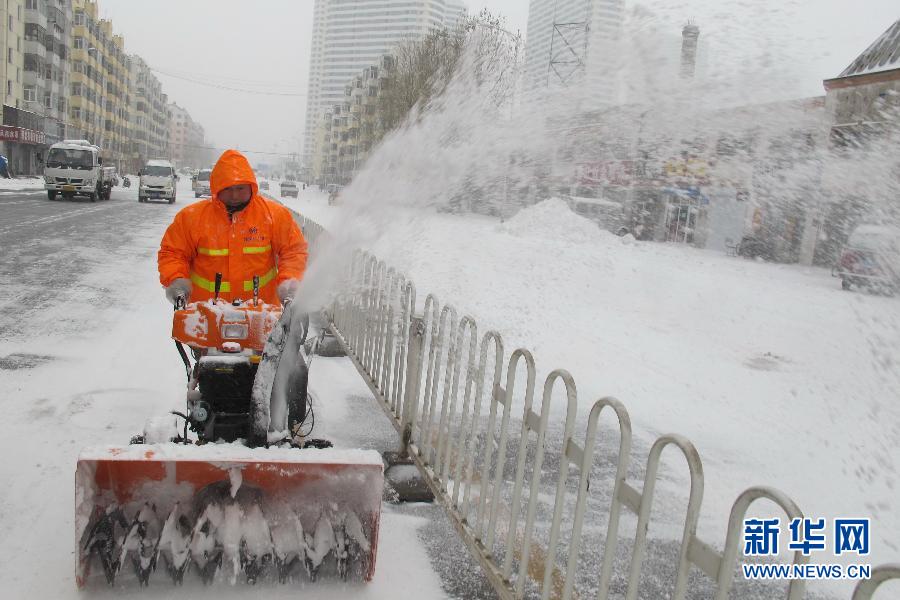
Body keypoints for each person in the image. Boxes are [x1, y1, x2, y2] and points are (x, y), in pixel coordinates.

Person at [158, 149, 308, 306]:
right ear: (217, 188)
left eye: (240, 188)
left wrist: (290, 283)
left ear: (251, 187)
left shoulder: (274, 215)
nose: (234, 195)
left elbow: (293, 251)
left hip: (261, 315)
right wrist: (176, 280)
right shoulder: (191, 218)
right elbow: (172, 253)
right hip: (205, 316)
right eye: (228, 189)